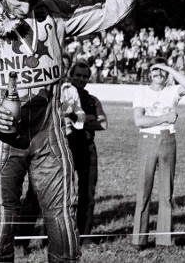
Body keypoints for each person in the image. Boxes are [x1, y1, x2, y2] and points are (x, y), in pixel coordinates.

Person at [0, 0, 154, 263]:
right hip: (4, 140)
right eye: (19, 1)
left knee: (62, 213)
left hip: (50, 135)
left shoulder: (55, 15)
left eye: (35, 0)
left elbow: (107, 13)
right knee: (2, 216)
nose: (27, 9)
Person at [131, 58, 185, 249]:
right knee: (143, 191)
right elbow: (139, 121)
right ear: (149, 73)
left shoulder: (172, 91)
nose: (158, 74)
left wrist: (167, 67)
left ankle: (164, 240)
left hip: (168, 140)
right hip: (147, 140)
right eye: (154, 71)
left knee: (166, 192)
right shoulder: (141, 92)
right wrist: (164, 118)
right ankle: (139, 239)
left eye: (162, 71)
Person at [61, 60, 107, 238]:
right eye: (77, 75)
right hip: (65, 147)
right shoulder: (62, 94)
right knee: (62, 192)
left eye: (85, 76)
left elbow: (103, 124)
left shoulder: (92, 100)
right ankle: (56, 234)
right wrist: (87, 119)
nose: (80, 79)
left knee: (87, 192)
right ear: (70, 76)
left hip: (87, 148)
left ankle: (84, 234)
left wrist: (82, 120)